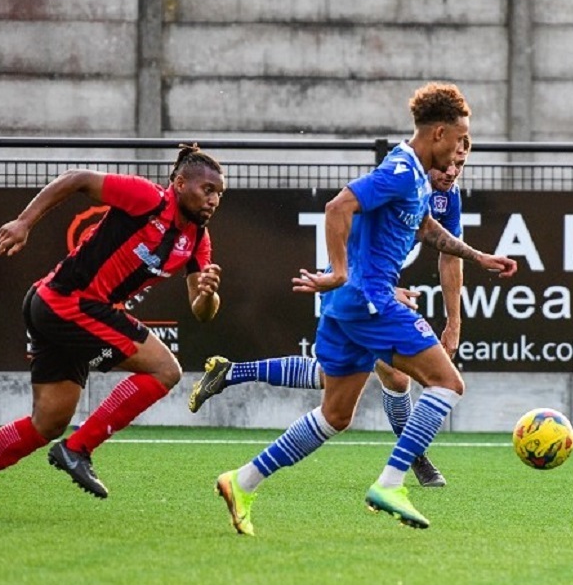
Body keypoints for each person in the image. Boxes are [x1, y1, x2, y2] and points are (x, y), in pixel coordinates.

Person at [214, 83, 517, 536]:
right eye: (460, 141)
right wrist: (338, 270)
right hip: (369, 298)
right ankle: (391, 483)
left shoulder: (414, 175)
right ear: (438, 134)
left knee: (335, 415)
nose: (461, 152)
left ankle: (242, 480)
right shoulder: (399, 170)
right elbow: (339, 206)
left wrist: (477, 257)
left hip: (346, 307)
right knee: (448, 383)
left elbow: (427, 229)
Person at [0, 144, 225, 516]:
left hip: (62, 308)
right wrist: (24, 223)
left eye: (219, 194)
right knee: (166, 370)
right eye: (207, 190)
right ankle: (78, 448)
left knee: (46, 423)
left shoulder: (197, 239)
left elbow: (202, 311)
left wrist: (209, 294)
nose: (213, 200)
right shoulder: (146, 198)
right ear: (179, 183)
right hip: (66, 303)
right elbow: (76, 178)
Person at [189, 142, 474, 488]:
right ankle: (411, 464)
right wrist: (370, 285)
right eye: (448, 164)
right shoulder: (401, 177)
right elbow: (347, 222)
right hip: (352, 287)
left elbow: (449, 256)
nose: (452, 172)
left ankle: (230, 375)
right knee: (392, 381)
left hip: (374, 288)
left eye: (460, 165)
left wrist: (454, 320)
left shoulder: (446, 196)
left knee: (340, 380)